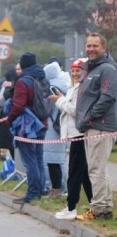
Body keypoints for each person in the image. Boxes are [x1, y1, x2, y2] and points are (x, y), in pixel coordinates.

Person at [75, 33, 116, 221]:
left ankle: (99, 209)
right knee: (99, 168)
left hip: (100, 126)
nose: (91, 49)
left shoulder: (107, 69)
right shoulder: (90, 69)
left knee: (96, 169)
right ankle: (104, 208)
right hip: (91, 127)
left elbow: (108, 97)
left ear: (103, 48)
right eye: (89, 45)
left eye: (95, 46)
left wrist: (90, 118)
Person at [5, 52, 49, 204]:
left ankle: (32, 193)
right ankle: (41, 190)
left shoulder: (23, 81)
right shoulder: (42, 78)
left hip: (28, 126)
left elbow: (18, 106)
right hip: (42, 123)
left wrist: (9, 120)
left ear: (23, 65)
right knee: (38, 159)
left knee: (29, 160)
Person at [52, 59, 92, 220]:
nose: (75, 74)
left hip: (79, 134)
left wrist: (59, 101)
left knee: (74, 172)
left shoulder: (82, 88)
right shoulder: (73, 87)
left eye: (78, 71)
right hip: (74, 134)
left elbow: (75, 110)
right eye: (73, 71)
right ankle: (94, 204)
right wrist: (63, 98)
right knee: (83, 174)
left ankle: (71, 207)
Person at [42, 61, 70, 199]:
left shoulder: (52, 88)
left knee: (53, 162)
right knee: (56, 161)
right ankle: (56, 189)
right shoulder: (64, 85)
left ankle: (57, 190)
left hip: (52, 129)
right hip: (59, 128)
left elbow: (48, 109)